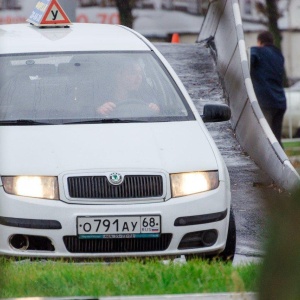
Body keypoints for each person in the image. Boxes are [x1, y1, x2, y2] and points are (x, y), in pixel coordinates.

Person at [250, 31, 287, 147]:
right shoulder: (278, 54)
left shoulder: (257, 51)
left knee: (265, 139)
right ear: (272, 41)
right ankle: (282, 163)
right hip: (280, 102)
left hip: (265, 101)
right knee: (276, 139)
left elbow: (248, 64)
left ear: (260, 42)